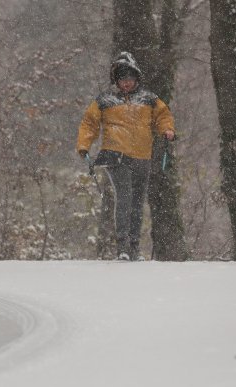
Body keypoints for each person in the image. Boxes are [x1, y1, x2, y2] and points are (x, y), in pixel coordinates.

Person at [76, 52, 175, 261]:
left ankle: (134, 247)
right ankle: (122, 246)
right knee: (125, 197)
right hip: (115, 156)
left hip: (142, 157)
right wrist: (84, 145)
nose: (127, 83)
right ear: (116, 80)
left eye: (130, 79)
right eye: (123, 79)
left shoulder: (149, 99)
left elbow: (163, 116)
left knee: (138, 202)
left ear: (137, 78)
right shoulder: (104, 100)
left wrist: (167, 130)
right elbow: (89, 123)